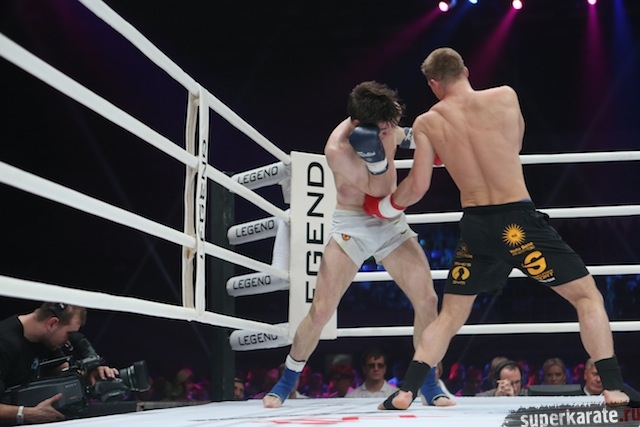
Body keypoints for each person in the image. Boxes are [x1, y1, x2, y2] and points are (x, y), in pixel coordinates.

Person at [364, 47, 639, 409]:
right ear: (465, 70)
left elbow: (417, 187)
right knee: (587, 297)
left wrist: (381, 208)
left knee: (450, 316)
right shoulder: (505, 97)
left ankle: (406, 391)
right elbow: (514, 144)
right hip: (517, 224)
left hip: (477, 228)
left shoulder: (428, 122)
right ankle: (613, 388)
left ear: (433, 84)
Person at [262, 81, 453, 408]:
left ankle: (428, 383)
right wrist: (377, 160)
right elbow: (376, 192)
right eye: (383, 129)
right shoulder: (337, 149)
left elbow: (407, 137)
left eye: (391, 125)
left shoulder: (385, 125)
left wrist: (436, 144)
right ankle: (287, 381)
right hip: (352, 225)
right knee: (321, 310)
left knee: (427, 299)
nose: (389, 131)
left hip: (390, 224)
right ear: (360, 124)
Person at [0, 302, 119, 425]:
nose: (68, 342)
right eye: (69, 334)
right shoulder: (4, 342)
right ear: (52, 323)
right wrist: (25, 414)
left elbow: (66, 374)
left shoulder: (44, 339)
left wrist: (89, 375)